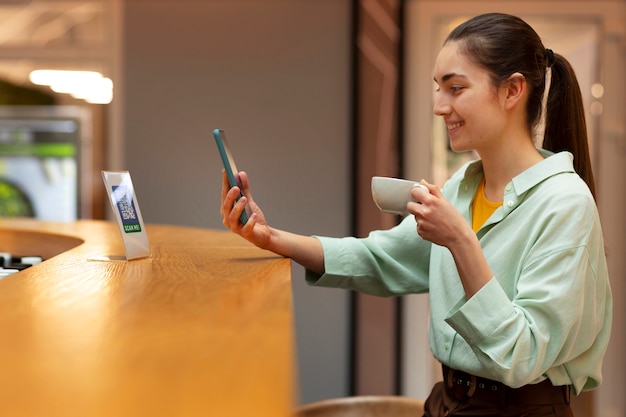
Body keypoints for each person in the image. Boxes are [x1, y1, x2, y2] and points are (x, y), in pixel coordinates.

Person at [219, 12, 612, 417]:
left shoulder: (565, 204)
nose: (440, 106)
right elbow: (381, 258)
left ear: (512, 90)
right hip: (448, 403)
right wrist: (270, 237)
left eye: (455, 88)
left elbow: (521, 354)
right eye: (438, 89)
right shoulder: (463, 187)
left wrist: (459, 240)